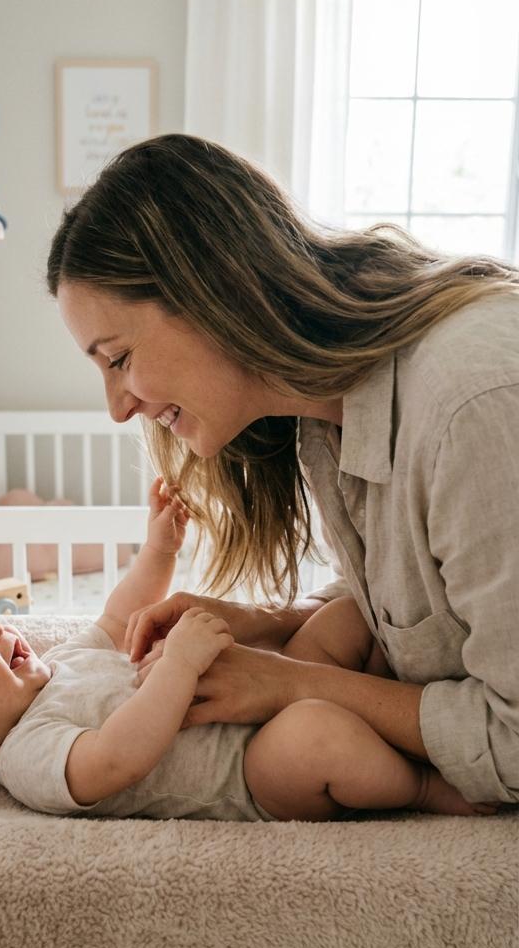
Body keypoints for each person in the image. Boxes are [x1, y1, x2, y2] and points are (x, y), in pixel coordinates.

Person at [46, 132, 519, 808]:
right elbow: (417, 591)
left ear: (211, 291)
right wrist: (265, 622)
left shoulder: (472, 410)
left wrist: (293, 682)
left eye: (118, 359)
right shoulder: (325, 422)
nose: (119, 408)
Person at [0, 480, 494, 821]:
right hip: (252, 769)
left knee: (348, 613)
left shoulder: (57, 669)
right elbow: (114, 759)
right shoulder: (26, 756)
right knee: (316, 735)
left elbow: (119, 615)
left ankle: (417, 688)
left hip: (262, 686)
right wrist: (178, 667)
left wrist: (158, 551)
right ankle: (426, 788)